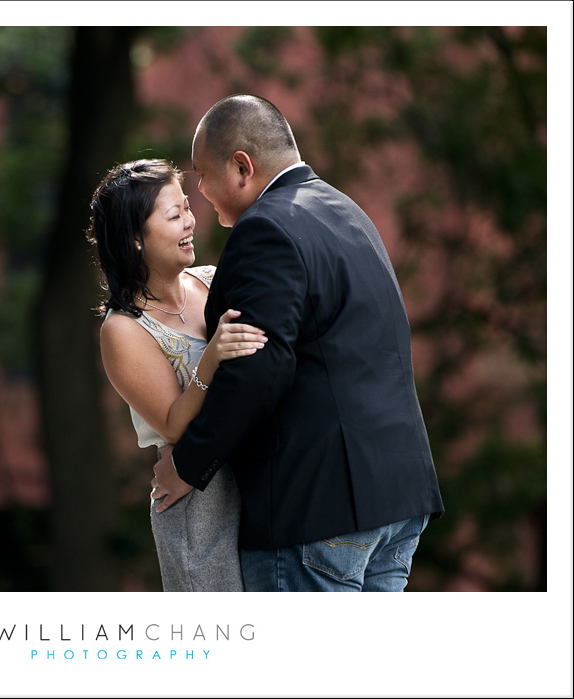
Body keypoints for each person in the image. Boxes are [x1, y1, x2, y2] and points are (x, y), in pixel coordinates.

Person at [151, 95, 445, 591]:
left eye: (203, 175)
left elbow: (257, 366)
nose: (200, 192)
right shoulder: (348, 213)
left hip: (317, 511)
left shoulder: (265, 229)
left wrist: (187, 465)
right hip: (397, 497)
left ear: (242, 166)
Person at [87, 159, 268, 591]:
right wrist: (211, 360)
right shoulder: (123, 329)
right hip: (196, 500)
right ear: (134, 239)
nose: (190, 221)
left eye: (186, 207)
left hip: (254, 480)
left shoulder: (212, 280)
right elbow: (171, 422)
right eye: (174, 215)